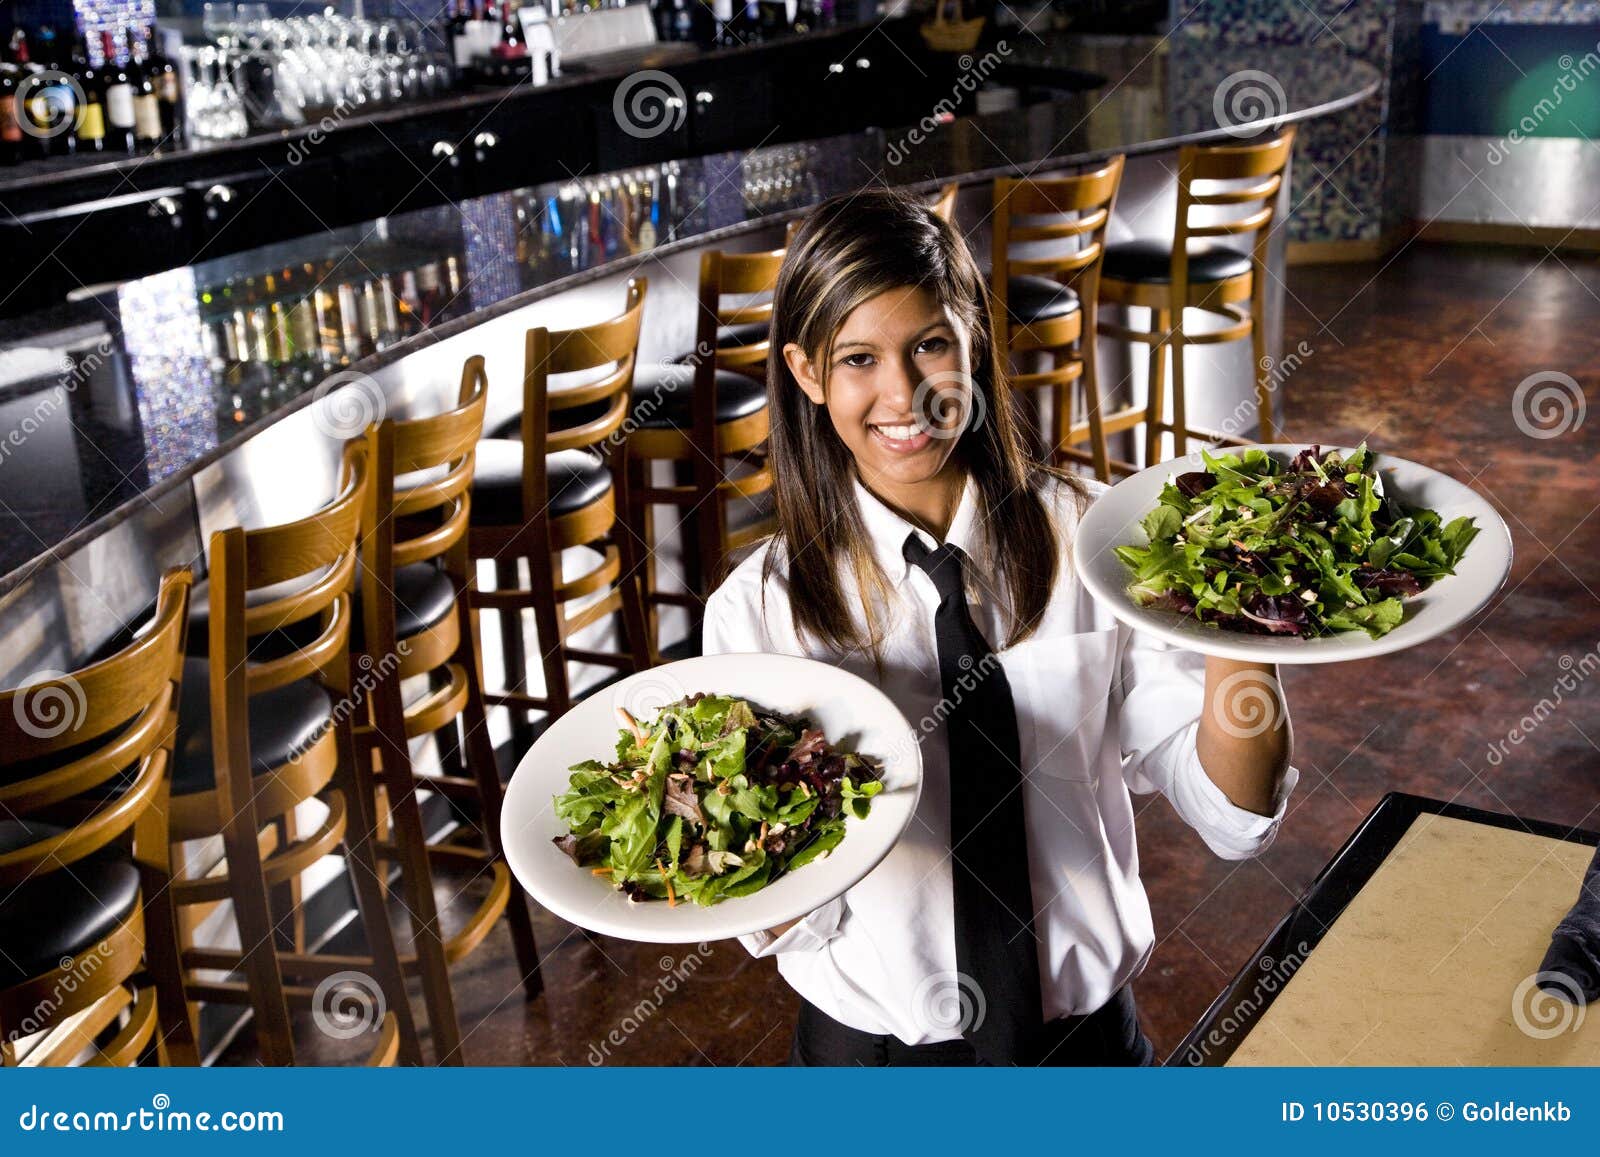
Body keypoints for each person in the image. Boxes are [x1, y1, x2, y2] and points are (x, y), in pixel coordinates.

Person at [700, 187, 1297, 1066]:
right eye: (859, 358)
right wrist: (755, 824)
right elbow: (793, 917)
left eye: (930, 345)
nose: (903, 394)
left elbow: (1234, 817)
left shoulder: (1104, 542)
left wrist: (1241, 619)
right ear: (805, 372)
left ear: (973, 338)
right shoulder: (755, 613)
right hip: (875, 1069)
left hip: (1088, 1054)